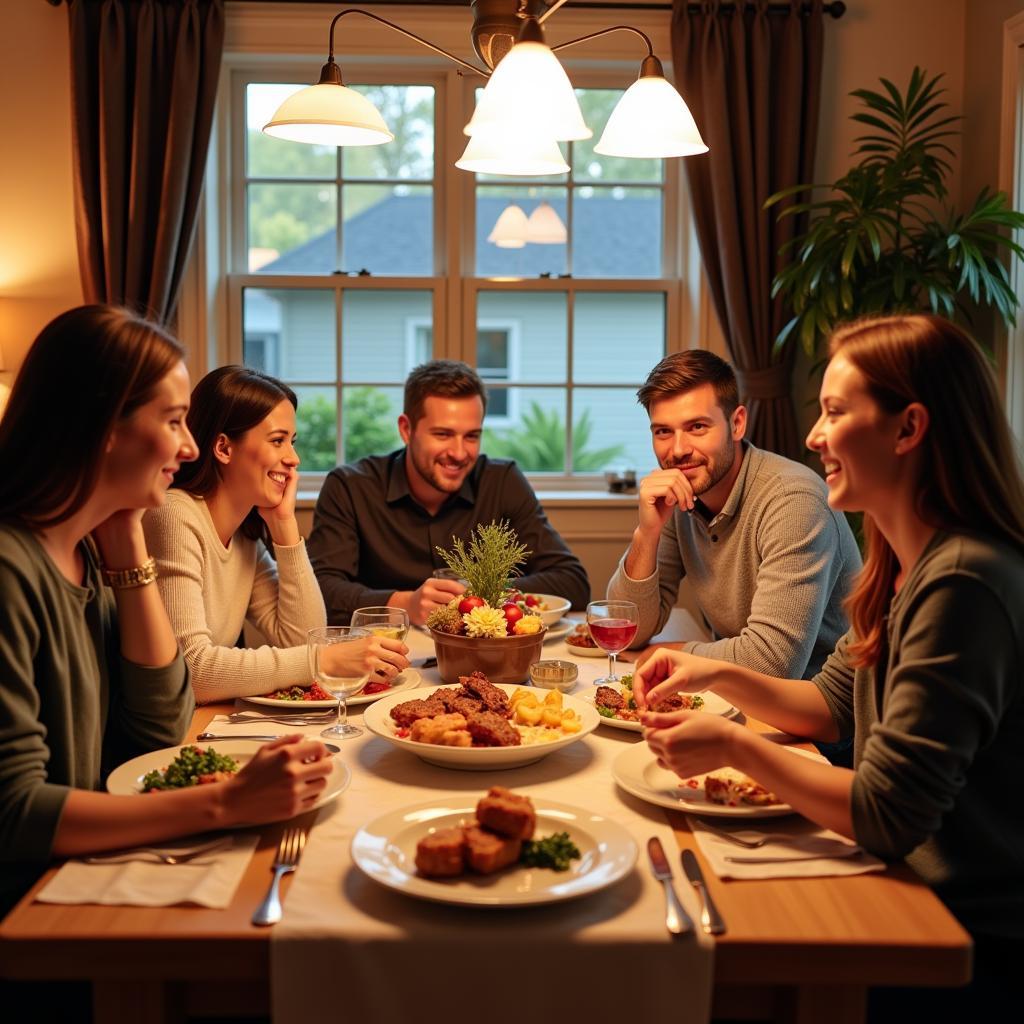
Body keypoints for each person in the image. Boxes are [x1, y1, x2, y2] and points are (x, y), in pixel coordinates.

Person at [633, 315, 1024, 1015]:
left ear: (907, 430)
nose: (813, 435)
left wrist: (731, 742)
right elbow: (827, 703)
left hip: (961, 933)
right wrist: (711, 675)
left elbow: (887, 815)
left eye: (835, 412)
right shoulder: (902, 566)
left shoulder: (963, 582)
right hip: (903, 880)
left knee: (717, 982)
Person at [0, 306, 334, 918]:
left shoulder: (95, 555)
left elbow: (157, 727)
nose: (187, 446)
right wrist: (227, 803)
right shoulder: (11, 570)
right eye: (174, 421)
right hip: (31, 912)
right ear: (104, 426)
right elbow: (14, 814)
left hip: (80, 871)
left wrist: (127, 537)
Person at [143, 366, 409, 703]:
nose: (294, 458)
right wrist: (320, 660)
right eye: (278, 441)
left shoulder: (244, 538)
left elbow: (300, 639)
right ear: (223, 448)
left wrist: (285, 526)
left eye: (292, 442)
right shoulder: (174, 514)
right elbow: (191, 671)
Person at [607, 349, 860, 680]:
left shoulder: (794, 502)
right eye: (663, 432)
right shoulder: (681, 496)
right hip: (737, 696)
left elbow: (773, 661)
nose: (678, 450)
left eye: (697, 427)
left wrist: (671, 653)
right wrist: (647, 533)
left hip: (816, 718)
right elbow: (626, 630)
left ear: (737, 423)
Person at [308, 359, 590, 626]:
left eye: (471, 436)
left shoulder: (501, 481)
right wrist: (402, 604)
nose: (458, 453)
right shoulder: (350, 487)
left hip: (485, 656)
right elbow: (319, 591)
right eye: (442, 434)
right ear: (407, 430)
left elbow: (572, 582)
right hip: (386, 657)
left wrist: (481, 591)